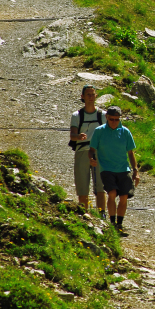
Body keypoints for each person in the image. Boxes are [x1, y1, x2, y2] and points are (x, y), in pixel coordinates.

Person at [88, 106, 140, 236]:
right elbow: (92, 149)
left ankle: (119, 224)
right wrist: (91, 158)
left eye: (117, 119)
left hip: (123, 168)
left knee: (124, 196)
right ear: (106, 117)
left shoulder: (125, 132)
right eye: (111, 119)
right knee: (112, 193)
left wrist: (135, 170)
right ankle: (112, 223)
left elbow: (131, 152)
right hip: (106, 168)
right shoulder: (99, 131)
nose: (114, 122)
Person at [70, 85, 107, 217]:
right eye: (88, 95)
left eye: (93, 94)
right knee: (82, 187)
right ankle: (84, 215)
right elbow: (72, 135)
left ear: (96, 96)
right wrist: (78, 136)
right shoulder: (76, 115)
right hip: (82, 152)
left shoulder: (103, 115)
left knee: (101, 187)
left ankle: (102, 215)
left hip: (99, 152)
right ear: (83, 97)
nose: (91, 97)